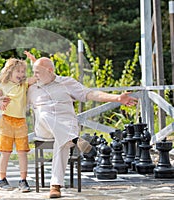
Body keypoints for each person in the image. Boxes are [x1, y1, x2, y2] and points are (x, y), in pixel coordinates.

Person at [25, 52, 138, 198]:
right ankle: (75, 140)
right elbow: (15, 99)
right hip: (44, 128)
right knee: (45, 114)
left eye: (37, 72)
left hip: (66, 125)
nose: (35, 76)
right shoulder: (32, 88)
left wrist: (117, 98)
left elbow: (91, 94)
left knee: (63, 141)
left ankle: (55, 186)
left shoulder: (66, 83)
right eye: (33, 73)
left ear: (50, 71)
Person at [0, 58, 36, 192]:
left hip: (20, 122)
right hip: (6, 121)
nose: (22, 74)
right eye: (18, 71)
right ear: (10, 71)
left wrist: (33, 60)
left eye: (23, 71)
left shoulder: (24, 85)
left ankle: (23, 181)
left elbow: (37, 76)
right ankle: (1, 179)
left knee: (22, 152)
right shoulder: (2, 85)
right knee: (5, 152)